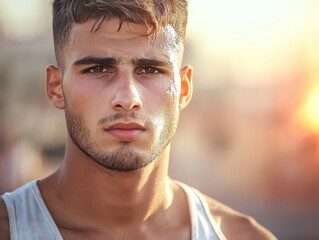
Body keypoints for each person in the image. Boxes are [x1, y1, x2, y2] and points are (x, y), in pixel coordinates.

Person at [0, 0, 276, 239]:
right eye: (97, 69)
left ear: (184, 88)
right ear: (55, 87)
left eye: (150, 70)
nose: (128, 97)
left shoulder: (241, 236)